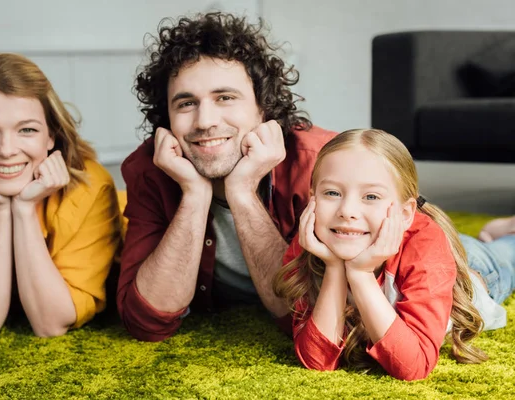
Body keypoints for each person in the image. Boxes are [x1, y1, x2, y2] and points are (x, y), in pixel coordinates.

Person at [117, 12, 336, 342]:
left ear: (263, 108)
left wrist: (242, 191)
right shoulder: (150, 169)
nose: (205, 121)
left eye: (225, 98)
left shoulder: (320, 164)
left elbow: (310, 319)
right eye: (186, 103)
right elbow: (146, 322)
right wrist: (194, 195)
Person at [274, 128, 515, 381]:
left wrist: (360, 273)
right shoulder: (309, 245)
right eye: (332, 193)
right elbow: (316, 359)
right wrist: (334, 268)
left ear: (405, 213)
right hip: (385, 242)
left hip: (472, 272)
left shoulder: (425, 248)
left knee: (506, 255)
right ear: (313, 200)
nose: (347, 211)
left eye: (371, 196)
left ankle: (502, 231)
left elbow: (414, 366)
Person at [0, 53, 123, 339]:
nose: (7, 150)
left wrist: (23, 209)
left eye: (27, 130)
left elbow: (51, 323)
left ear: (50, 137)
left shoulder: (91, 187)